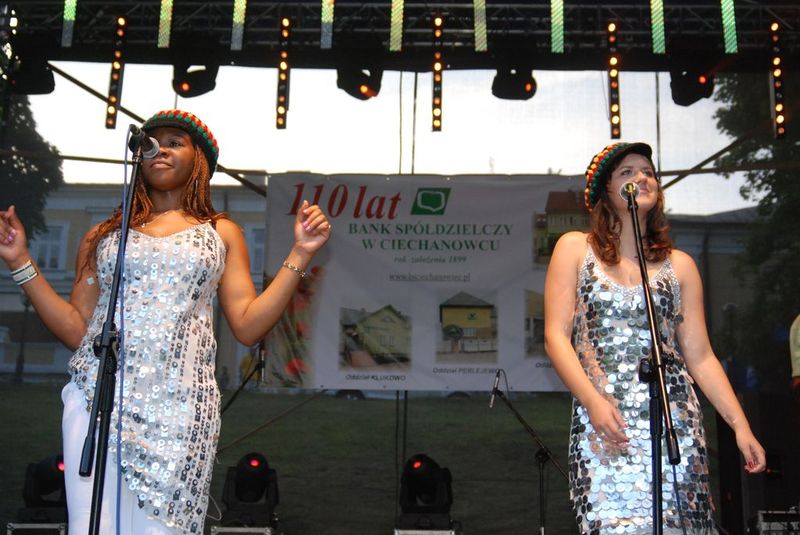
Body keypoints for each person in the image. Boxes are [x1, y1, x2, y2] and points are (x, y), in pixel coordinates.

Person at [0, 109, 331, 535]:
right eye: (150, 144)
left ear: (199, 159)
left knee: (164, 527)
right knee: (92, 525)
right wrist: (21, 261)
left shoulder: (220, 232)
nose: (160, 151)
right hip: (99, 397)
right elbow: (77, 330)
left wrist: (301, 253)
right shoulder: (104, 235)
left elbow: (248, 325)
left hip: (181, 405)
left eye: (175, 142)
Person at [543, 142, 765, 534]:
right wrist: (592, 402)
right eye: (627, 172)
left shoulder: (681, 266)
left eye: (648, 172)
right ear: (605, 190)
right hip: (606, 424)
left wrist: (740, 426)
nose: (642, 178)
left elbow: (701, 357)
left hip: (674, 420)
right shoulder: (575, 248)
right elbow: (555, 337)